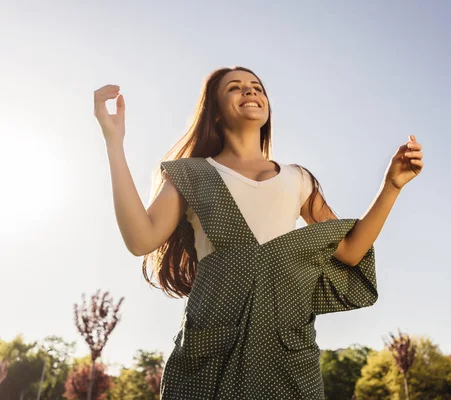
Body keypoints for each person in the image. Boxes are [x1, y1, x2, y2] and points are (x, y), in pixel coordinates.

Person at [94, 66, 424, 399]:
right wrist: (114, 142)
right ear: (216, 113)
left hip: (289, 357)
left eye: (257, 87)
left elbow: (351, 250)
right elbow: (141, 240)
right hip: (208, 358)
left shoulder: (298, 179)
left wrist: (391, 186)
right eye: (235, 88)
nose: (250, 92)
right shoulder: (191, 175)